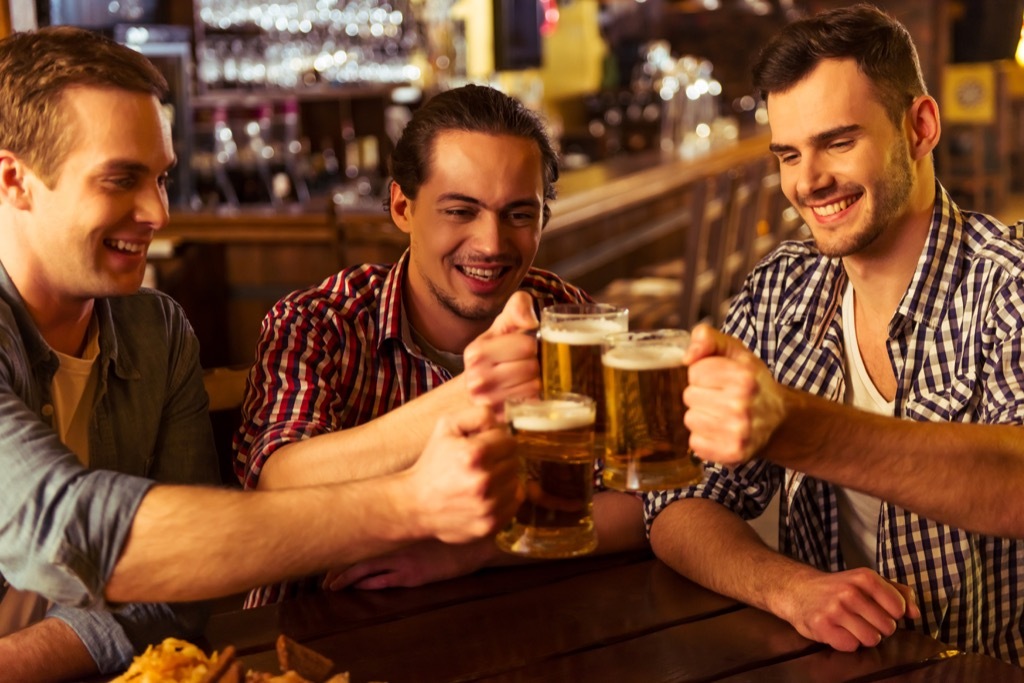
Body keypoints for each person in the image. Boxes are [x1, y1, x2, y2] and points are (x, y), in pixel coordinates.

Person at [0, 27, 519, 681]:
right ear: (15, 179)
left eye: (160, 178)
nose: (157, 212)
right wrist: (408, 502)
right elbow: (69, 524)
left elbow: (177, 595)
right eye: (121, 179)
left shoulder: (156, 329)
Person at [646, 3, 1024, 666]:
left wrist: (789, 424)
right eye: (788, 153)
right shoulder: (780, 287)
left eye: (838, 142)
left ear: (920, 127)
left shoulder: (1007, 286)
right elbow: (680, 497)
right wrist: (791, 589)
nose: (808, 180)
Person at [235, 84, 647, 606]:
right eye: (460, 211)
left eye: (519, 215)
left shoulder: (569, 322)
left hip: (520, 633)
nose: (491, 244)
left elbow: (651, 501)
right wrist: (477, 393)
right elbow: (279, 485)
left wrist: (476, 550)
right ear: (402, 207)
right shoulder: (319, 323)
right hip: (321, 642)